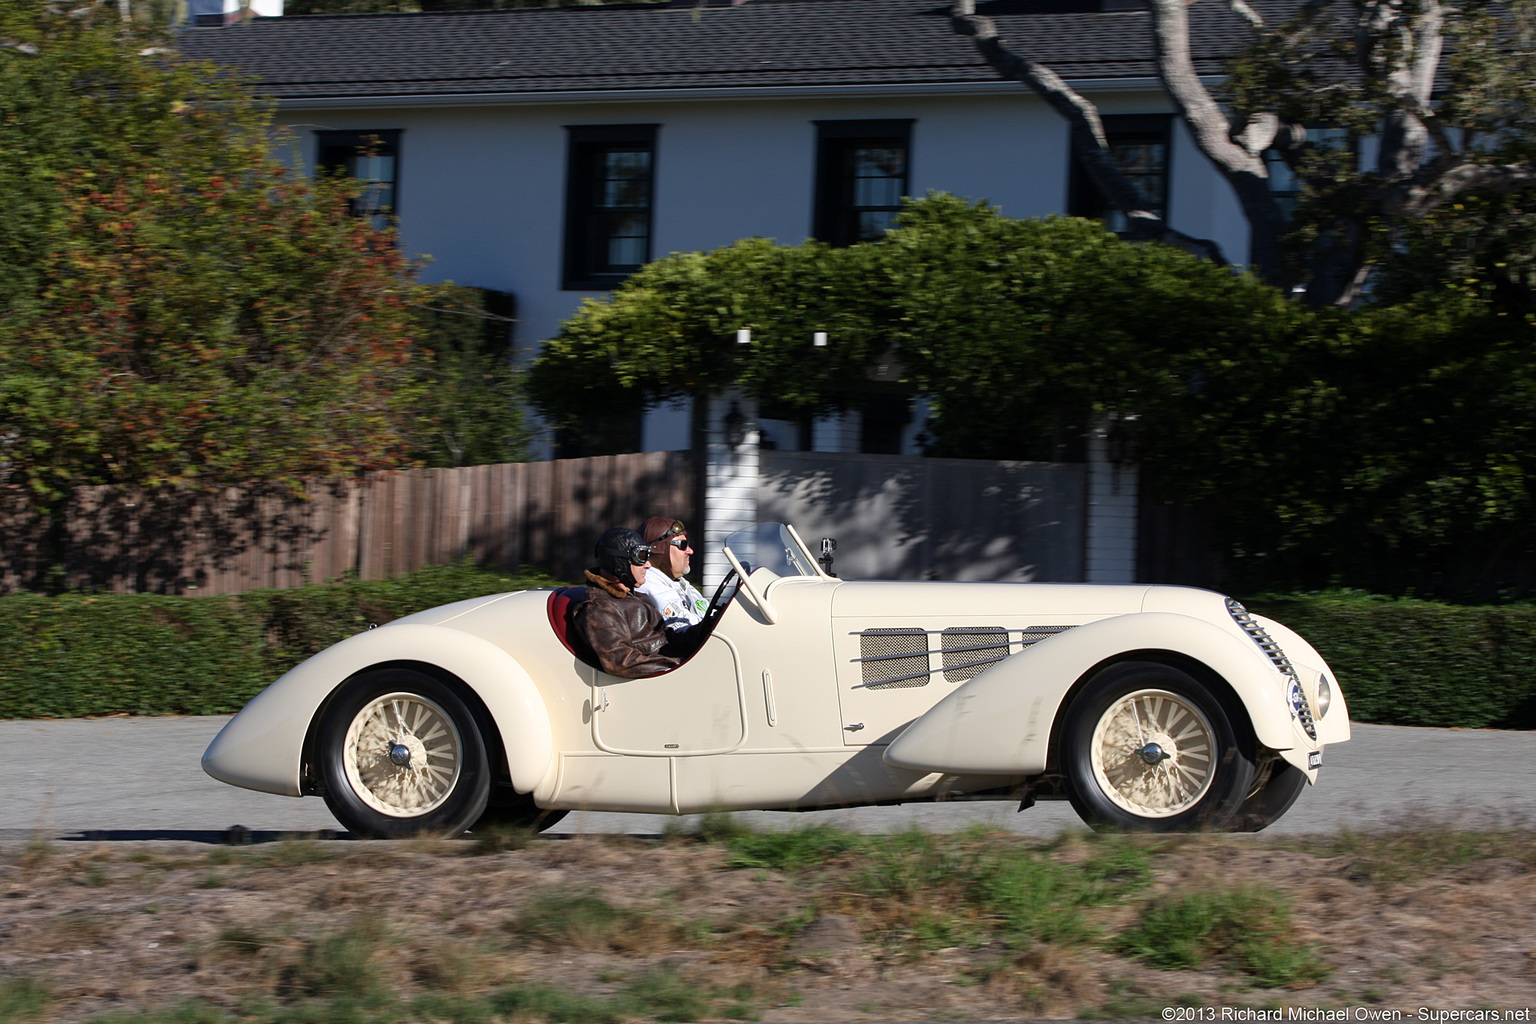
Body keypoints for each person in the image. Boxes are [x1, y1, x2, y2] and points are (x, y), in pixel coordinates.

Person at [572, 527, 686, 679]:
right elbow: (621, 662)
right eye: (641, 557)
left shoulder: (635, 596)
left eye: (648, 557)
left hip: (663, 671)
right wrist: (678, 665)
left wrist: (705, 630)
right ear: (619, 563)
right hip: (646, 684)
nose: (648, 565)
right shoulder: (599, 607)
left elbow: (665, 639)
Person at [634, 516, 710, 639]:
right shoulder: (649, 585)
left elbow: (708, 616)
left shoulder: (680, 583)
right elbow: (682, 628)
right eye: (683, 545)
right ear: (660, 549)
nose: (690, 551)